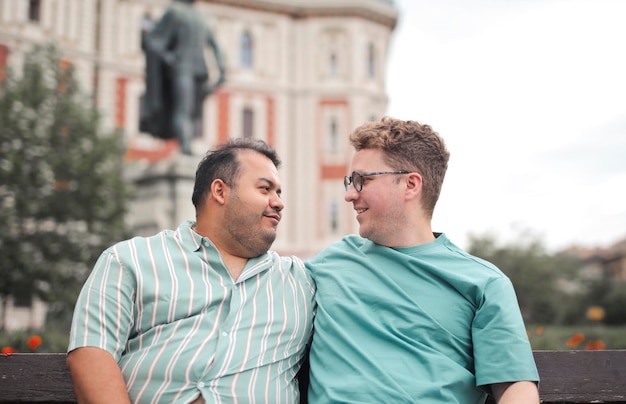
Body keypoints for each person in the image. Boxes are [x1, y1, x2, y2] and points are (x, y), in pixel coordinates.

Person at [306, 117, 540, 403]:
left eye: (361, 181)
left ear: (410, 184)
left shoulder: (484, 283)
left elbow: (516, 386)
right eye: (350, 182)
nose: (349, 194)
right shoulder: (332, 262)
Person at [67, 138, 315, 403]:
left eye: (279, 193)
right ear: (220, 191)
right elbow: (92, 353)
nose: (278, 203)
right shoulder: (130, 260)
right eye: (265, 189)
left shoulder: (300, 281)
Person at [140, 0, 226, 155]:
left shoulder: (192, 15)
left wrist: (222, 69)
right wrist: (221, 69)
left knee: (191, 112)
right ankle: (186, 147)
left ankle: (187, 146)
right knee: (185, 110)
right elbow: (153, 41)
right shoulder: (183, 14)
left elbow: (214, 44)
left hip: (193, 70)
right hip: (188, 69)